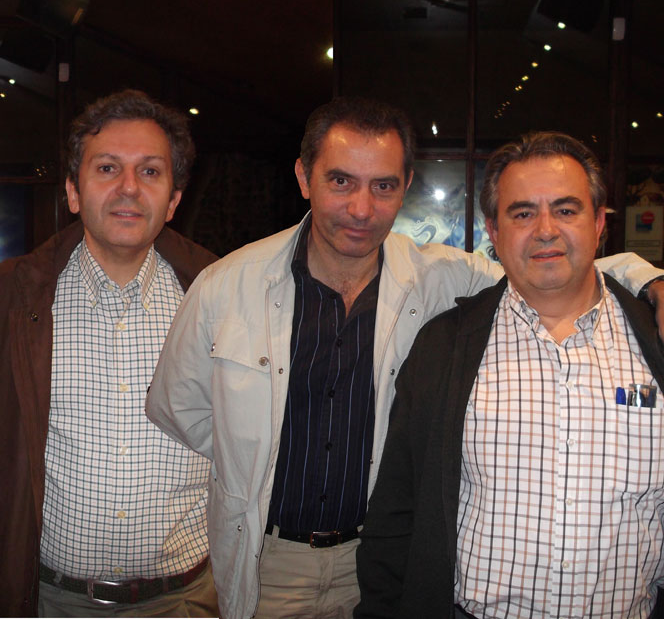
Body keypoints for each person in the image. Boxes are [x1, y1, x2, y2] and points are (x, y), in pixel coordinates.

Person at [145, 97, 664, 619]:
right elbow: (179, 408)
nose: (362, 209)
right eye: (341, 181)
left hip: (385, 553)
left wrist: (650, 280)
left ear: (406, 186)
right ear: (304, 177)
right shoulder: (225, 286)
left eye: (383, 186)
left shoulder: (441, 277)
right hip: (271, 564)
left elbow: (546, 265)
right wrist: (254, 453)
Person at [355, 131, 664, 618]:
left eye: (566, 210)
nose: (545, 230)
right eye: (522, 214)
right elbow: (396, 512)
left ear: (599, 223)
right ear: (493, 233)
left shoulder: (657, 342)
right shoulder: (444, 347)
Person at [0, 89, 219, 617]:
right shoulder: (0, 299)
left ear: (173, 199)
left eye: (149, 171)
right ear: (73, 191)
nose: (128, 188)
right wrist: (3, 532)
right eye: (107, 168)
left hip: (185, 601)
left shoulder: (220, 298)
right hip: (48, 600)